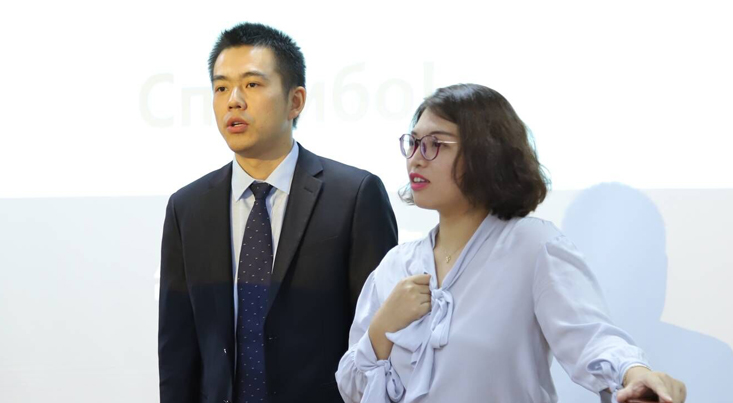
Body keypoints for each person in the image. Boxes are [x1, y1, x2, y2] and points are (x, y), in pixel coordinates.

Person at [335, 84, 687, 402]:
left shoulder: (532, 246)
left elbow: (591, 338)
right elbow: (353, 389)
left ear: (485, 154)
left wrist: (634, 374)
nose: (415, 157)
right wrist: (382, 328)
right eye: (413, 143)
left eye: (435, 145)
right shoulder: (396, 265)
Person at [158, 23, 398, 403]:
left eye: (252, 84)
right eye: (221, 88)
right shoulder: (187, 207)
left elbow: (378, 334)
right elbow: (177, 350)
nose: (233, 101)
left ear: (295, 101)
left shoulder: (354, 196)